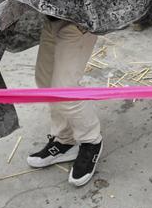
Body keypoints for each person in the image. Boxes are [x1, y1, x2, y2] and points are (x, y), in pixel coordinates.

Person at [27, 18, 104, 187]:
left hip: (78, 19)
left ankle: (91, 141)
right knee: (45, 82)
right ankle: (65, 140)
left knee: (65, 91)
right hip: (50, 17)